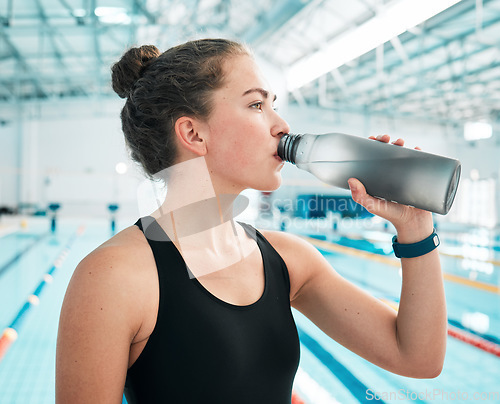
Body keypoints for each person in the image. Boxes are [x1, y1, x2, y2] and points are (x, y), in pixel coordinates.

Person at [55, 38, 446, 403]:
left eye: (272, 104)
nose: (282, 126)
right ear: (193, 132)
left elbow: (417, 357)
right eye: (257, 105)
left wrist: (415, 229)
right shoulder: (113, 278)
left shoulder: (290, 260)